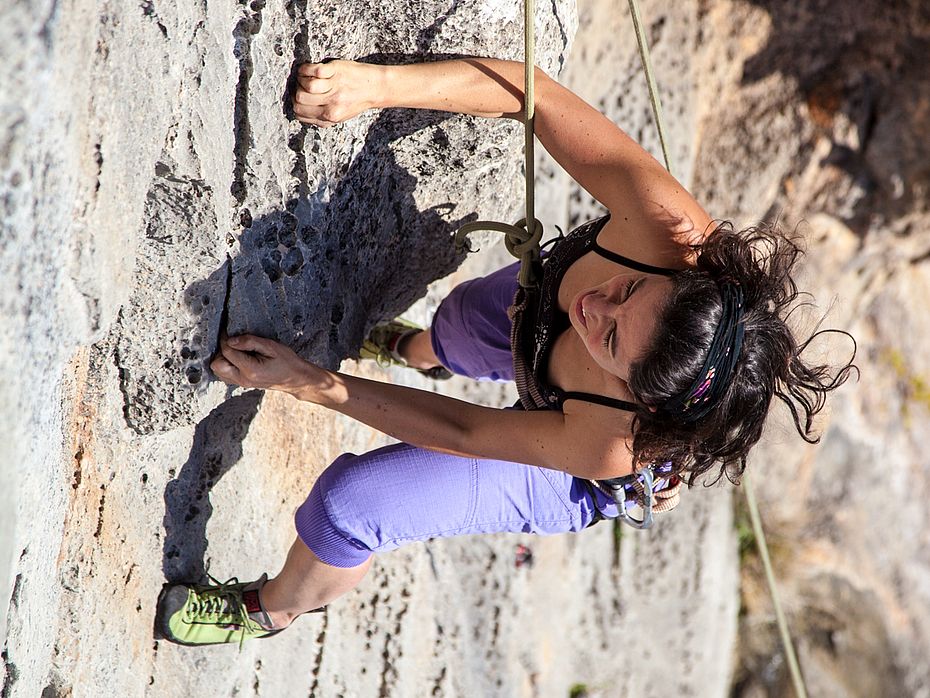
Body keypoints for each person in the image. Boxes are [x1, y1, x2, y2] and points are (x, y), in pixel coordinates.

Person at [155, 58, 855, 646]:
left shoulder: (613, 440)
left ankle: (271, 609)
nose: (597, 307)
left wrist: (315, 384)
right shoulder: (668, 228)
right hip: (534, 310)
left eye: (610, 337)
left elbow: (466, 431)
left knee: (352, 504)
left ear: (639, 396)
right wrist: (374, 87)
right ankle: (417, 349)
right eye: (627, 289)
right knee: (458, 325)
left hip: (570, 467)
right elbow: (537, 94)